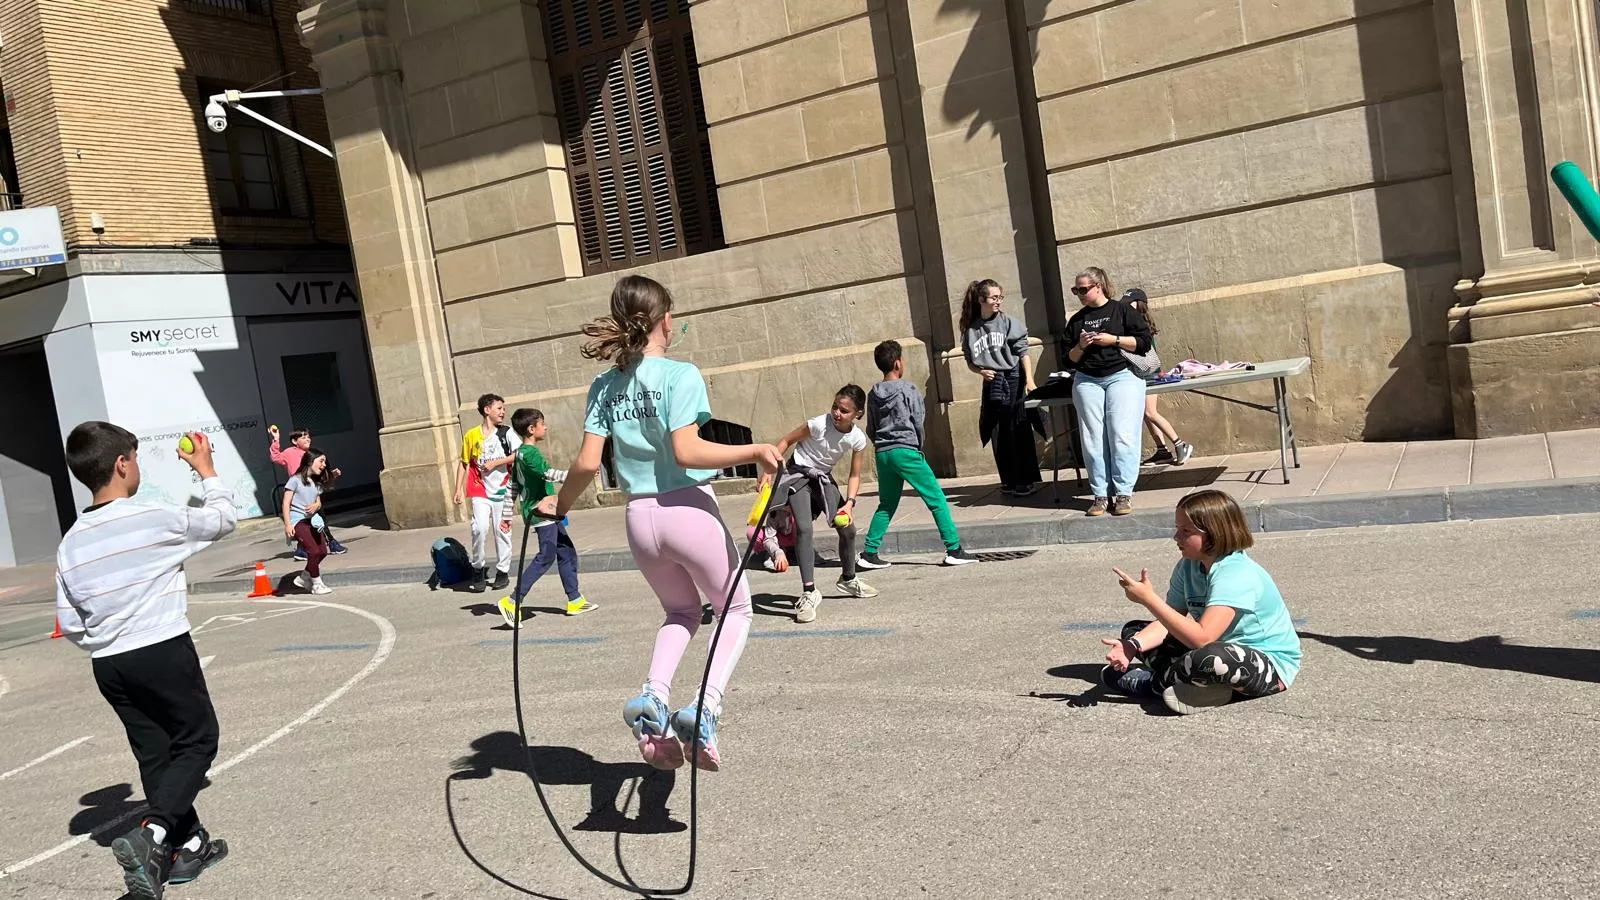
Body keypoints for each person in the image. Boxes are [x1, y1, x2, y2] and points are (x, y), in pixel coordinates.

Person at [535, 274, 781, 772]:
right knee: (735, 610)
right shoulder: (679, 374)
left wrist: (559, 506)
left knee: (681, 613)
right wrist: (755, 450)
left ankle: (653, 697)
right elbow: (686, 450)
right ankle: (705, 709)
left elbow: (586, 464)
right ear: (665, 321)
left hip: (638, 517)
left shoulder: (605, 385)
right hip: (686, 506)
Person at [55, 423, 234, 897]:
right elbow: (222, 520)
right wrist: (207, 470)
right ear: (121, 463)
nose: (137, 465)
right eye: (135, 457)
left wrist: (106, 637)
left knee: (155, 753)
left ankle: (187, 847)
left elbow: (69, 622)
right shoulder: (151, 515)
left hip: (109, 663)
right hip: (160, 646)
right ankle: (153, 833)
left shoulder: (71, 542)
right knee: (198, 741)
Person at [1098, 490, 1303, 715]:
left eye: (1186, 531)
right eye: (1177, 528)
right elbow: (1169, 620)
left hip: (1266, 665)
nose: (1176, 537)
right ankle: (1207, 688)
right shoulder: (1188, 566)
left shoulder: (1236, 572)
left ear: (1214, 534)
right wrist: (1132, 645)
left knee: (1210, 657)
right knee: (1135, 630)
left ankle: (1153, 684)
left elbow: (1202, 638)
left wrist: (1149, 599)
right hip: (1212, 649)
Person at [857, 340, 979, 569]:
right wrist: (917, 447)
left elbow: (871, 428)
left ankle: (869, 552)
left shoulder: (873, 394)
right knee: (936, 499)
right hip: (906, 451)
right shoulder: (908, 389)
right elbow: (917, 421)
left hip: (883, 453)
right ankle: (954, 548)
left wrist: (883, 444)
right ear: (897, 363)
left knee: (886, 504)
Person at [765, 384, 880, 624]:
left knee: (847, 529)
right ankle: (809, 592)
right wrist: (769, 469)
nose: (837, 413)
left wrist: (849, 504)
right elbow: (786, 441)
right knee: (804, 528)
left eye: (844, 410)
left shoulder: (857, 439)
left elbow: (855, 475)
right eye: (835, 407)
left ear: (857, 413)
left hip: (822, 478)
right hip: (798, 475)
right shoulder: (818, 424)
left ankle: (848, 579)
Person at [1065, 266, 1153, 517]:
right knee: (1093, 438)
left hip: (1122, 375)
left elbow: (1143, 342)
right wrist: (1081, 346)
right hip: (1087, 379)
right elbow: (1068, 359)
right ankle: (1100, 495)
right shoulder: (1076, 320)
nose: (1079, 294)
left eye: (1083, 289)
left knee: (1122, 433)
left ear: (1098, 286)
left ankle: (1123, 492)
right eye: (1076, 290)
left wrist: (1112, 339)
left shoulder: (1121, 310)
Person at [498, 407, 595, 623]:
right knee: (546, 556)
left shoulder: (520, 453)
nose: (546, 427)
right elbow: (549, 474)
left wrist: (506, 516)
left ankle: (575, 599)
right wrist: (580, 473)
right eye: (542, 424)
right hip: (542, 513)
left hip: (546, 512)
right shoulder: (530, 454)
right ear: (532, 429)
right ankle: (513, 600)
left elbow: (513, 486)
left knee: (566, 551)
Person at [959, 279, 1042, 497]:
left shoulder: (1008, 323)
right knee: (998, 430)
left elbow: (1023, 351)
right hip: (992, 381)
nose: (998, 302)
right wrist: (980, 372)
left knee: (1018, 427)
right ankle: (1008, 479)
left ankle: (1025, 479)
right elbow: (969, 359)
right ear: (981, 300)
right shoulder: (972, 329)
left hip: (1013, 376)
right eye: (994, 297)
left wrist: (1029, 380)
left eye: (1000, 297)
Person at [454, 393, 519, 593]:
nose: (503, 412)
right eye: (499, 408)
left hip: (503, 488)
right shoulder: (472, 435)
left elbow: (519, 454)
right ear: (487, 410)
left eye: (503, 408)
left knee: (502, 530)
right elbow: (464, 463)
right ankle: (478, 568)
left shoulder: (506, 433)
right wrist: (458, 488)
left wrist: (497, 462)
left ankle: (502, 571)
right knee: (479, 528)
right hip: (480, 489)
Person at [1121, 289, 1194, 467]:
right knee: (1146, 415)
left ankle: (1180, 444)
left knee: (1150, 412)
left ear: (1139, 304)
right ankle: (1162, 451)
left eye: (1129, 303)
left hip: (1149, 375)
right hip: (1140, 375)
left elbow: (1147, 353)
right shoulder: (1132, 323)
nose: (1126, 307)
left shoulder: (1140, 326)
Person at [266, 425, 346, 557]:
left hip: (312, 491)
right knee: (316, 519)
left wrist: (331, 475)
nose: (307, 439)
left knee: (312, 520)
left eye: (308, 436)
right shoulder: (289, 452)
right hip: (298, 492)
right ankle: (331, 543)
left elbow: (318, 475)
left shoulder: (312, 454)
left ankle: (302, 549)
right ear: (294, 441)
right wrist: (276, 439)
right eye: (303, 437)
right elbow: (275, 457)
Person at [281, 448, 337, 594]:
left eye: (325, 461)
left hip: (312, 520)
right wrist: (287, 524)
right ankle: (317, 584)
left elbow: (318, 501)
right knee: (313, 550)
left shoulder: (316, 483)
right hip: (297, 520)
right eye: (321, 461)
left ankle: (304, 577)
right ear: (310, 461)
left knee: (323, 551)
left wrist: (316, 505)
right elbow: (286, 503)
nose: (324, 464)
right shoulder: (295, 480)